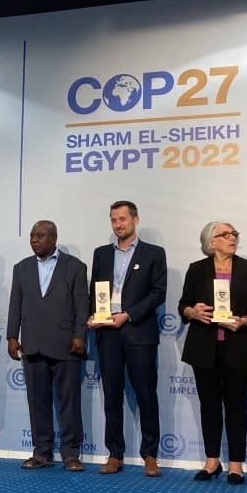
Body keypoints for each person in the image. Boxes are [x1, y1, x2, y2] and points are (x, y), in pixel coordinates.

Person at [178, 221, 247, 485]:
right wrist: (192, 312)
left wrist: (246, 320)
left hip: (238, 347)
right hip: (203, 348)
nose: (232, 238)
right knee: (209, 406)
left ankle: (236, 465)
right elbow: (183, 305)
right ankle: (212, 461)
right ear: (211, 242)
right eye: (225, 234)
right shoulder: (197, 269)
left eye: (234, 234)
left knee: (236, 407)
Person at [88, 200, 167, 476]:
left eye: (122, 219)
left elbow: (158, 293)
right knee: (111, 397)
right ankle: (114, 454)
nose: (118, 224)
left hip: (139, 332)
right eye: (113, 219)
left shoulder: (154, 253)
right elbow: (94, 291)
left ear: (135, 220)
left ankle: (150, 455)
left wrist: (128, 314)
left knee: (146, 395)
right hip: (107, 333)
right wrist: (93, 316)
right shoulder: (101, 254)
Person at [6, 220, 88, 472]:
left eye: (40, 236)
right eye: (32, 235)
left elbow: (82, 304)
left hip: (66, 345)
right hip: (32, 344)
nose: (34, 240)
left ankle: (71, 454)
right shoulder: (21, 268)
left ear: (54, 238)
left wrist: (80, 335)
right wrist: (12, 336)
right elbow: (15, 305)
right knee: (37, 403)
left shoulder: (75, 266)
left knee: (69, 403)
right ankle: (42, 453)